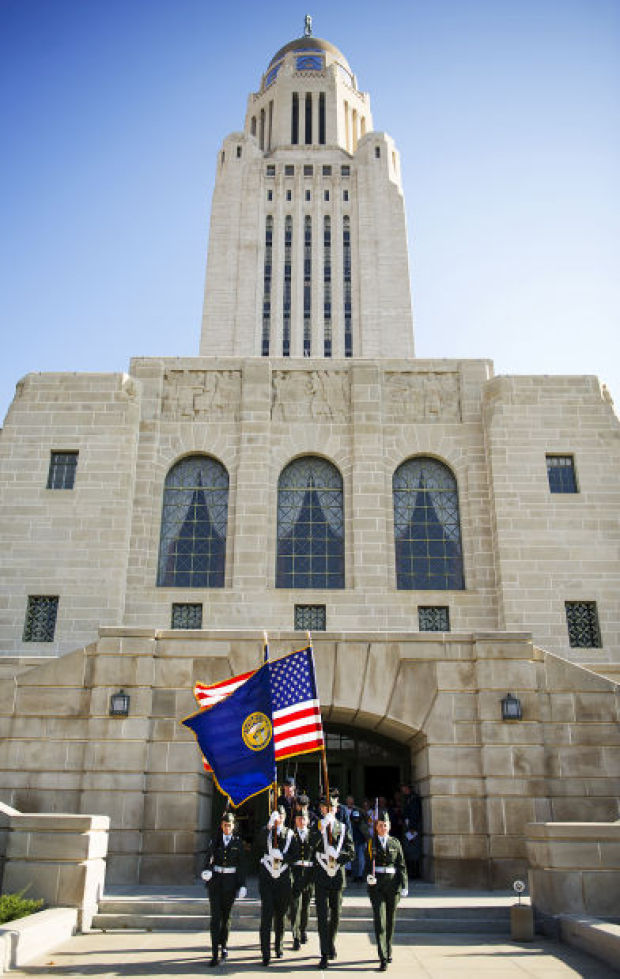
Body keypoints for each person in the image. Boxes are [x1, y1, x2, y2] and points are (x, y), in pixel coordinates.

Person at [311, 792, 355, 969]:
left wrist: (338, 856)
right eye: (325, 807)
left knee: (335, 915)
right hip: (321, 875)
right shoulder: (317, 826)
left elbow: (351, 851)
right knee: (322, 915)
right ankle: (324, 952)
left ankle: (331, 943)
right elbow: (309, 845)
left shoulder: (343, 827)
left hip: (337, 876)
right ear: (321, 809)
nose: (327, 810)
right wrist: (320, 829)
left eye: (331, 807)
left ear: (336, 810)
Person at [201, 811, 247, 967]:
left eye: (230, 825)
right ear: (221, 826)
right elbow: (208, 858)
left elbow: (241, 866)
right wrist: (206, 870)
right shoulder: (215, 841)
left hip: (230, 883)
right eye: (225, 825)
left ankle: (224, 946)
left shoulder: (238, 843)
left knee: (226, 917)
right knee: (215, 918)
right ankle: (214, 952)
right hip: (215, 883)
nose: (227, 828)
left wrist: (242, 885)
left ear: (234, 826)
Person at [365, 809, 408, 971]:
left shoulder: (395, 843)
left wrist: (404, 885)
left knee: (390, 920)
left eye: (385, 825)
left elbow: (401, 865)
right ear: (376, 827)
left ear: (389, 827)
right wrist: (369, 878)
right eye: (380, 825)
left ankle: (388, 950)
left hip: (392, 885)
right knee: (380, 921)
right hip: (377, 887)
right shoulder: (371, 844)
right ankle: (382, 956)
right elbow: (367, 867)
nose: (383, 828)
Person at [257, 805, 297, 966]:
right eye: (275, 815)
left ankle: (278, 946)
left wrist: (282, 856)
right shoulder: (266, 831)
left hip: (283, 879)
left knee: (280, 915)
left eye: (280, 815)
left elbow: (294, 855)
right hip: (267, 878)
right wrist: (268, 827)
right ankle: (265, 953)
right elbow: (258, 844)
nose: (278, 817)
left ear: (285, 817)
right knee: (266, 916)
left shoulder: (290, 834)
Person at [289, 796, 314, 951]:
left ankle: (303, 929)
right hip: (296, 873)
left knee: (306, 906)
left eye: (303, 820)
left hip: (309, 874)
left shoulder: (314, 835)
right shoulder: (291, 835)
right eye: (298, 819)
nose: (301, 822)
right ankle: (295, 935)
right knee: (295, 905)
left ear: (308, 821)